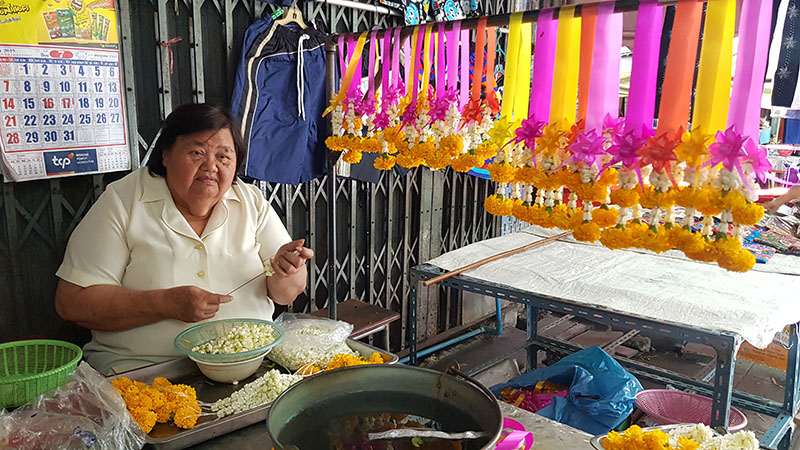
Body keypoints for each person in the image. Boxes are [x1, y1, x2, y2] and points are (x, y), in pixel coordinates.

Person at [54, 103, 313, 375]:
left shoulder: (250, 201)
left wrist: (288, 271)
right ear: (165, 154)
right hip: (144, 374)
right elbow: (72, 302)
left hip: (248, 366)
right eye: (197, 152)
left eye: (224, 157)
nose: (211, 167)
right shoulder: (123, 202)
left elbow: (285, 293)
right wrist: (165, 304)